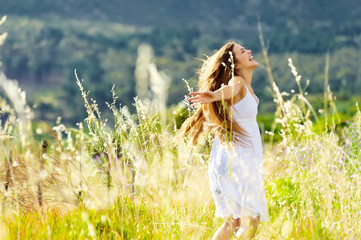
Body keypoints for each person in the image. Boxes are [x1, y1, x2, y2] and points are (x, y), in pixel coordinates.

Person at [176, 41, 269, 239]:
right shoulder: (238, 82)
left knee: (234, 223)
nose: (249, 51)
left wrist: (214, 95)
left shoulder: (243, 85)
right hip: (238, 162)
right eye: (243, 51)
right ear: (235, 64)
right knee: (249, 222)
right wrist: (213, 95)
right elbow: (228, 89)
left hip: (229, 161)